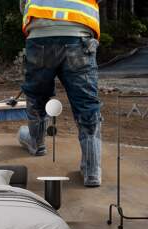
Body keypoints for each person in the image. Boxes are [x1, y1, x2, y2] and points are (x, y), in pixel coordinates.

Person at [18, 0, 102, 187]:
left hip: (40, 36)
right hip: (79, 36)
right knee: (86, 103)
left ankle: (37, 143)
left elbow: (24, 5)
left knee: (37, 96)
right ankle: (92, 169)